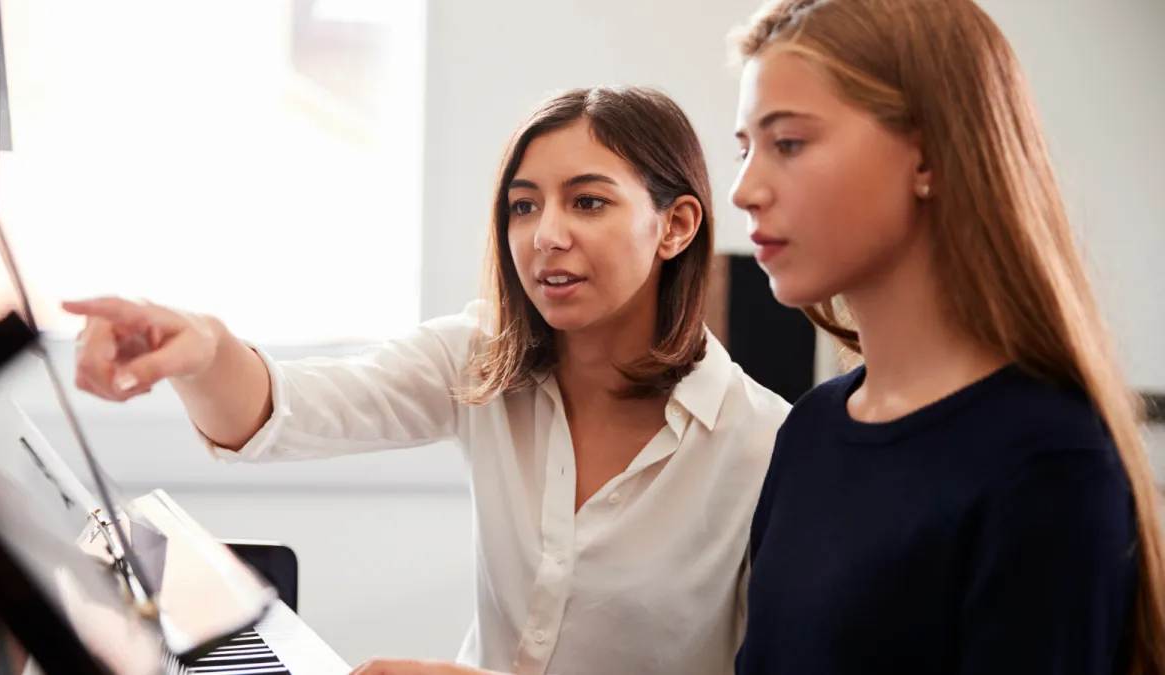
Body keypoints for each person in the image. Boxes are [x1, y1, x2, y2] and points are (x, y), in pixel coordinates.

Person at [66, 86, 792, 675]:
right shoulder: (479, 358)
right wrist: (201, 350)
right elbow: (281, 410)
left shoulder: (767, 444)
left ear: (676, 226)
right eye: (523, 204)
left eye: (588, 201)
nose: (545, 235)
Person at [726, 0, 1165, 673]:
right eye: (745, 147)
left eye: (788, 143)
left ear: (928, 154)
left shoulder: (1050, 462)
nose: (744, 189)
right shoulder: (810, 429)